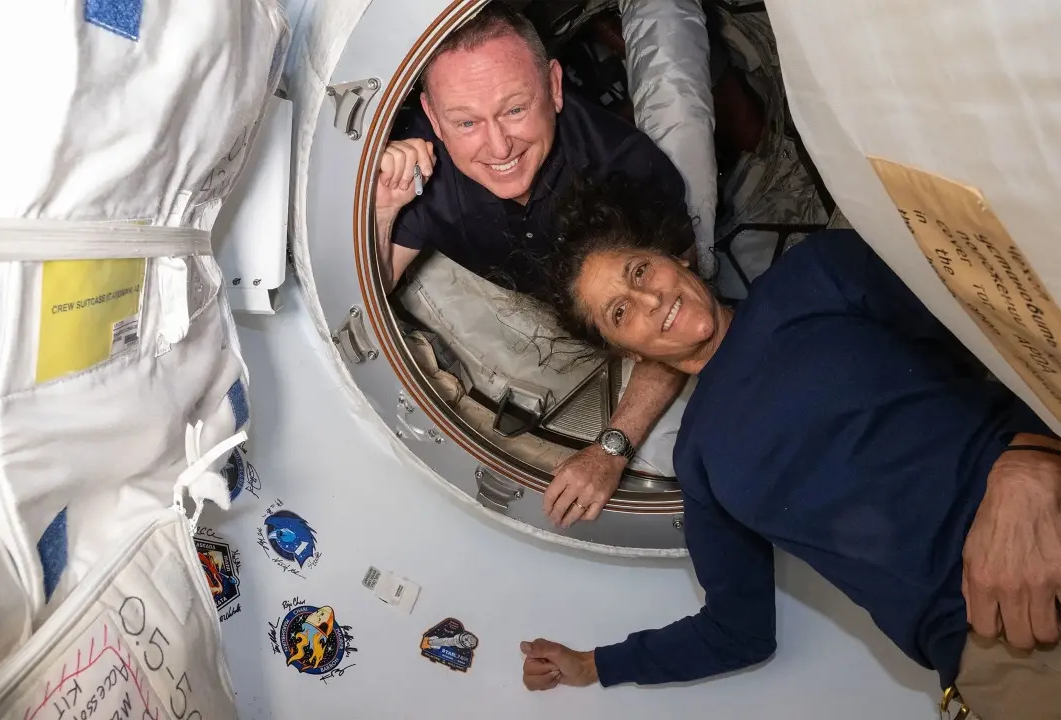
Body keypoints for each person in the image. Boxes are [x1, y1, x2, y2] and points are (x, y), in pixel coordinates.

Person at [518, 177, 1061, 719]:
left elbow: (1008, 329)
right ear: (625, 351)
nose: (650, 299)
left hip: (1043, 512)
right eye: (619, 312)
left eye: (640, 271)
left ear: (675, 257)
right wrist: (594, 665)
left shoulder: (815, 274)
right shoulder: (699, 461)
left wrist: (1032, 459)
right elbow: (737, 631)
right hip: (995, 644)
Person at [375, 1, 705, 526]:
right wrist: (386, 206)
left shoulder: (627, 169)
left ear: (554, 87)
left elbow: (680, 321)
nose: (498, 145)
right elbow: (368, 293)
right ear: (433, 117)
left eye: (514, 109)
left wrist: (610, 450)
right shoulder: (423, 169)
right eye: (465, 122)